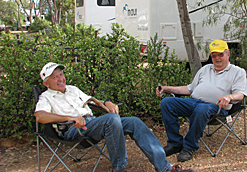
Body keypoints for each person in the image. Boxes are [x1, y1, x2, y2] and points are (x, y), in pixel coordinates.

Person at [35, 62, 194, 172]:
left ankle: (165, 168)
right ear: (46, 83)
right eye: (54, 77)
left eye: (61, 74)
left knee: (134, 122)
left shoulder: (72, 89)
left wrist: (108, 103)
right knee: (111, 120)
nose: (60, 79)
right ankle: (119, 168)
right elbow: (40, 116)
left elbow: (92, 101)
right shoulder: (46, 97)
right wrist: (69, 118)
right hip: (73, 129)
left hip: (92, 124)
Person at [156, 40, 247, 162]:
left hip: (216, 107)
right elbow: (190, 89)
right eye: (214, 55)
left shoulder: (238, 72)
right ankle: (175, 143)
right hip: (194, 102)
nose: (217, 58)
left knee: (202, 109)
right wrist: (166, 88)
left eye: (220, 54)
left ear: (228, 54)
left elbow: (240, 94)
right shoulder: (205, 69)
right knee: (167, 103)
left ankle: (189, 146)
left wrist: (229, 97)